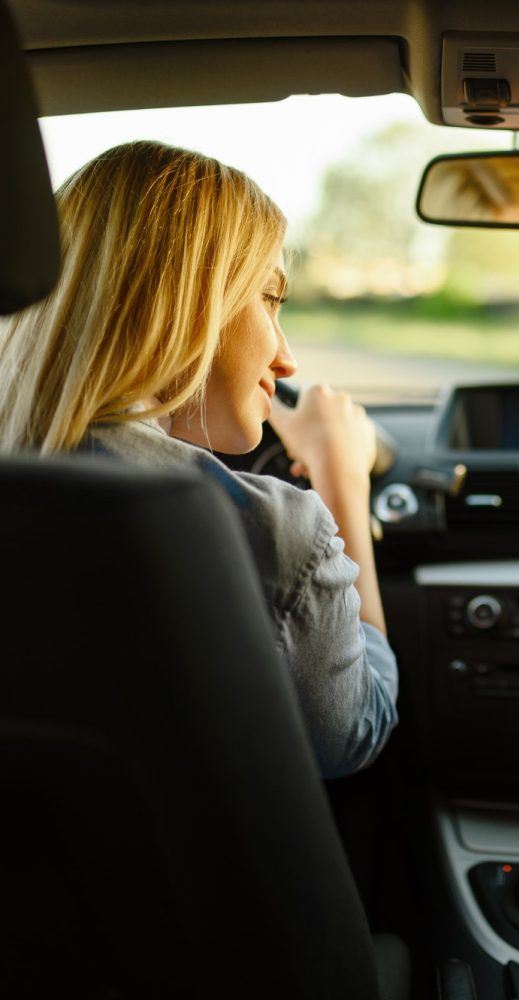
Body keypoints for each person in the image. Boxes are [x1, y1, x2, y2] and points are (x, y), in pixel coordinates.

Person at [0, 139, 398, 780]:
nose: (286, 358)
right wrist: (341, 479)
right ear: (187, 302)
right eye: (270, 299)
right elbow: (354, 734)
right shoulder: (272, 528)